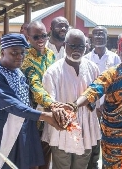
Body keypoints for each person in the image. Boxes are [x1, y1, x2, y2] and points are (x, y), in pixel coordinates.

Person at [0, 33, 67, 169]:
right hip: (3, 130)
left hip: (24, 128)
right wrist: (45, 116)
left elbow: (27, 100)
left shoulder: (18, 72)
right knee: (3, 164)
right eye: (14, 53)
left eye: (22, 52)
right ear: (3, 52)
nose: (19, 56)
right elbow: (12, 104)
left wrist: (54, 107)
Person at [75, 36, 122, 169]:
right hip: (113, 134)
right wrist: (75, 105)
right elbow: (94, 90)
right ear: (119, 54)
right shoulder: (111, 74)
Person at [41, 29, 101, 169]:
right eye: (72, 45)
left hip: (86, 129)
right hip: (62, 130)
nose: (77, 49)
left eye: (81, 46)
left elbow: (96, 99)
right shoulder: (53, 71)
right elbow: (49, 102)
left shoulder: (93, 68)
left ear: (86, 47)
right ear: (64, 45)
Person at [84, 25, 121, 169]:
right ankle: (92, 165)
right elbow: (86, 84)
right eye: (96, 34)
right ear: (92, 38)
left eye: (102, 34)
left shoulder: (115, 58)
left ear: (107, 38)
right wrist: (93, 104)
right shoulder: (86, 58)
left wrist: (106, 104)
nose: (99, 36)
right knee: (91, 139)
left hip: (110, 107)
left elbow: (118, 82)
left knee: (109, 140)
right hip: (90, 107)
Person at [20, 21, 56, 169]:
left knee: (46, 156)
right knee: (33, 160)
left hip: (50, 114)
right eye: (36, 37)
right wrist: (54, 105)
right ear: (28, 37)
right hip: (33, 116)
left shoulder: (51, 54)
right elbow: (35, 87)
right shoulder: (25, 57)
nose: (41, 40)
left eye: (44, 36)